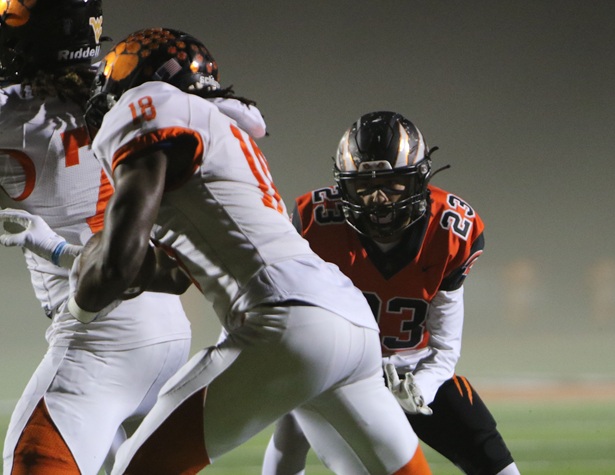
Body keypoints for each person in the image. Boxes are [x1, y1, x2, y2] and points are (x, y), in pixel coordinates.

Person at [69, 27, 433, 475]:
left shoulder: (149, 105)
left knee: (135, 469)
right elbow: (175, 271)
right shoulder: (220, 129)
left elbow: (118, 267)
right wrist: (66, 253)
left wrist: (79, 306)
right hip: (350, 322)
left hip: (284, 319)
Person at [0, 2, 214, 473]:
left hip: (97, 332)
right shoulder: (128, 95)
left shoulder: (12, 118)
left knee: (32, 462)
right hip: (168, 328)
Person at [262, 111, 521, 475]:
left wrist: (420, 388)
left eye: (391, 183)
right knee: (293, 431)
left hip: (415, 368)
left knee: (496, 462)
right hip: (339, 371)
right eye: (363, 186)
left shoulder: (448, 230)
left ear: (418, 180)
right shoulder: (316, 224)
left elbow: (445, 348)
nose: (377, 199)